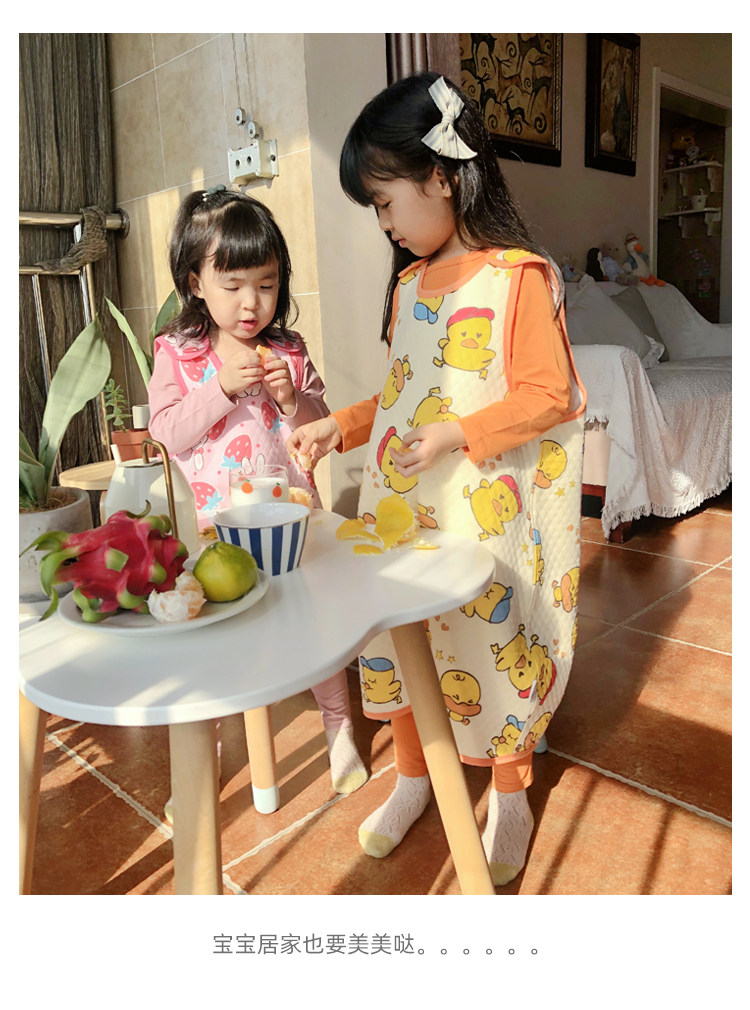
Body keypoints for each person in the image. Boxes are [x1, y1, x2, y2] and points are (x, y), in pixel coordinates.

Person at [287, 73, 586, 886]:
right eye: (376, 210)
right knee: (402, 634)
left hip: (479, 515)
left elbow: (550, 394)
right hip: (401, 514)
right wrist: (340, 426)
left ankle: (511, 791)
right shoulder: (409, 286)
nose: (384, 224)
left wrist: (460, 432)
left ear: (442, 176)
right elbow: (402, 393)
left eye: (386, 202)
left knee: (489, 639)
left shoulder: (519, 276)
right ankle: (415, 774)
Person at [148, 186, 367, 800]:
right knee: (216, 641)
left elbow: (319, 427)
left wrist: (293, 399)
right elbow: (166, 433)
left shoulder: (288, 351)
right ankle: (208, 756)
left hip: (293, 525)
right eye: (234, 285)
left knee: (314, 624)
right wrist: (217, 389)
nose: (252, 303)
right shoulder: (179, 353)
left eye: (267, 285)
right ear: (196, 282)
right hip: (216, 534)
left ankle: (339, 728)